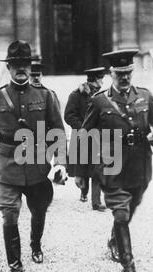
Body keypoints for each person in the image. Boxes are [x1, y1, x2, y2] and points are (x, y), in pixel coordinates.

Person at [0, 40, 67, 272]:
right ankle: (16, 271)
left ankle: (35, 243)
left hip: (37, 165)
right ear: (9, 68)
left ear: (30, 66)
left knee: (39, 210)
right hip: (5, 166)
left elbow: (58, 131)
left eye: (24, 64)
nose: (20, 70)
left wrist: (61, 163)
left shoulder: (46, 96)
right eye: (15, 65)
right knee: (9, 216)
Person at [74, 50, 153, 272]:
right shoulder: (99, 101)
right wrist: (80, 172)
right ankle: (128, 269)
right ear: (111, 74)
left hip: (140, 166)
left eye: (128, 73)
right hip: (112, 168)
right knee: (120, 215)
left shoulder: (145, 96)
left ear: (132, 72)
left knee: (130, 210)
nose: (124, 78)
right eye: (119, 74)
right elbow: (84, 136)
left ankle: (115, 239)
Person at [65, 67, 106, 212]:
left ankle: (96, 201)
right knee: (82, 169)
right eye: (101, 78)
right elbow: (68, 115)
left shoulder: (103, 96)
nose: (102, 81)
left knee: (97, 168)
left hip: (97, 137)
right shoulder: (76, 95)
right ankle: (83, 191)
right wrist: (83, 127)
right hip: (82, 136)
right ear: (95, 80)